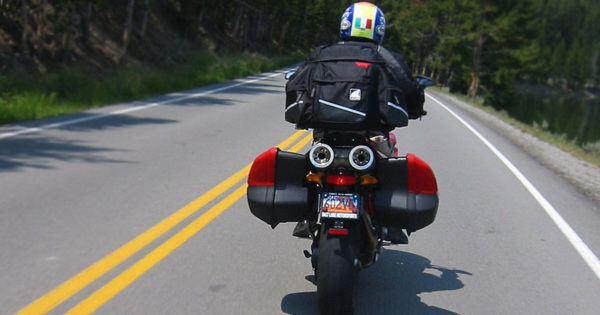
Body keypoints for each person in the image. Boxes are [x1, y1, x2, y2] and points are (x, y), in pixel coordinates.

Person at [291, 2, 424, 244]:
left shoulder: (323, 52)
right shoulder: (387, 58)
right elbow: (411, 89)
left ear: (344, 25)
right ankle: (389, 221)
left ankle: (308, 215)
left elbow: (297, 82)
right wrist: (416, 109)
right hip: (372, 136)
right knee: (389, 161)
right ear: (379, 30)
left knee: (314, 165)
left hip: (327, 134)